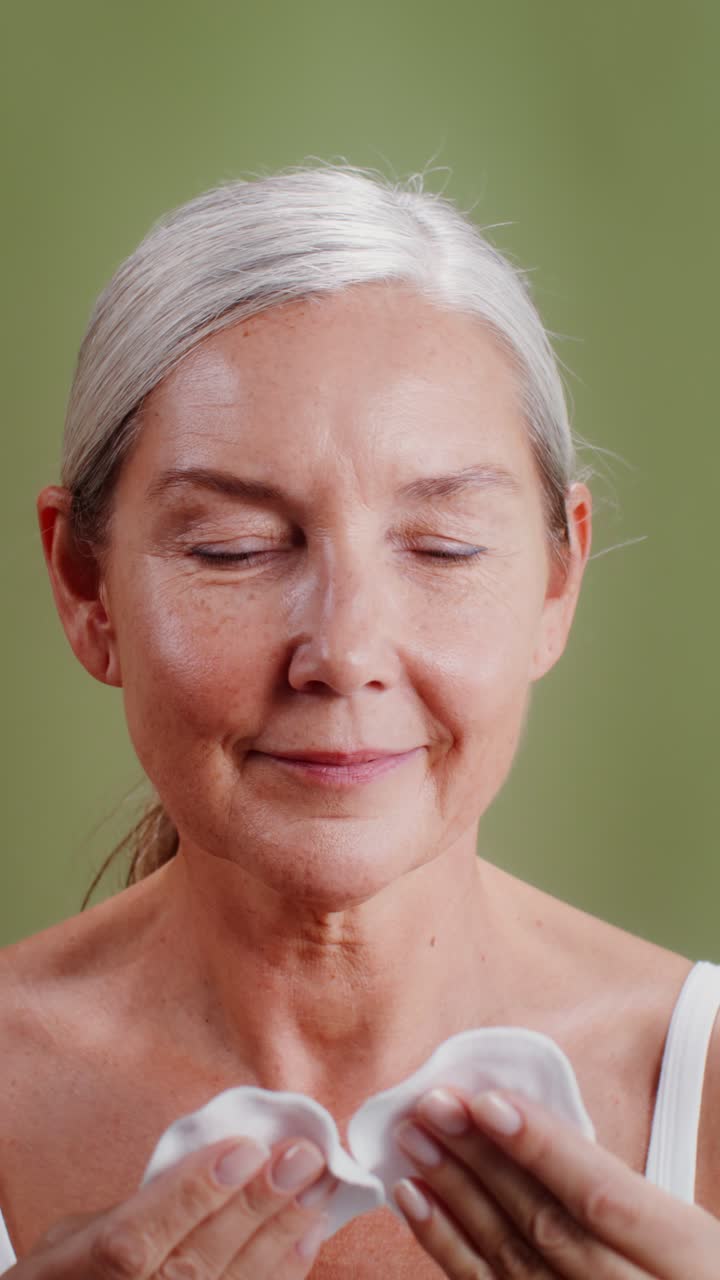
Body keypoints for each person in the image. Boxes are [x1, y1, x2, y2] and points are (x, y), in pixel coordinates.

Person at [1, 164, 718, 1279]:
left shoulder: (701, 1078)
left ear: (556, 582)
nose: (342, 652)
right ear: (85, 586)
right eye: (234, 547)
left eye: (443, 547)